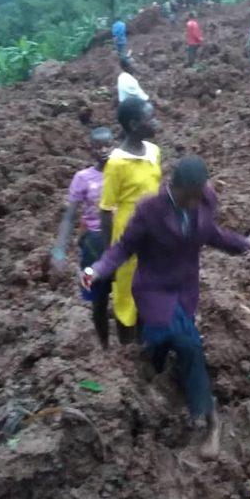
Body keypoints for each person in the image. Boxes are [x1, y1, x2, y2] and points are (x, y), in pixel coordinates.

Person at [83, 156, 250, 459]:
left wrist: (245, 243)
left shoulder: (204, 200)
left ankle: (208, 418)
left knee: (180, 342)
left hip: (184, 289)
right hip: (154, 289)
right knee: (180, 341)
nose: (196, 202)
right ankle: (182, 398)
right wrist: (98, 269)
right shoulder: (150, 210)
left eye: (200, 195)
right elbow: (123, 247)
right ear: (175, 187)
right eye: (191, 196)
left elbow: (213, 234)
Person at [98, 97, 161, 344]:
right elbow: (105, 210)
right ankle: (127, 348)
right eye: (150, 118)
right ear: (134, 124)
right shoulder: (116, 163)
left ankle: (149, 343)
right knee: (126, 296)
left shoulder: (154, 151)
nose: (155, 121)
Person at [51, 126, 113, 306]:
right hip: (93, 241)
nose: (103, 150)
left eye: (107, 145)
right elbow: (69, 217)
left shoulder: (121, 173)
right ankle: (99, 326)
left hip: (120, 239)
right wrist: (59, 251)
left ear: (113, 146)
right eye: (98, 147)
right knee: (96, 297)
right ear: (90, 150)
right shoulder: (83, 178)